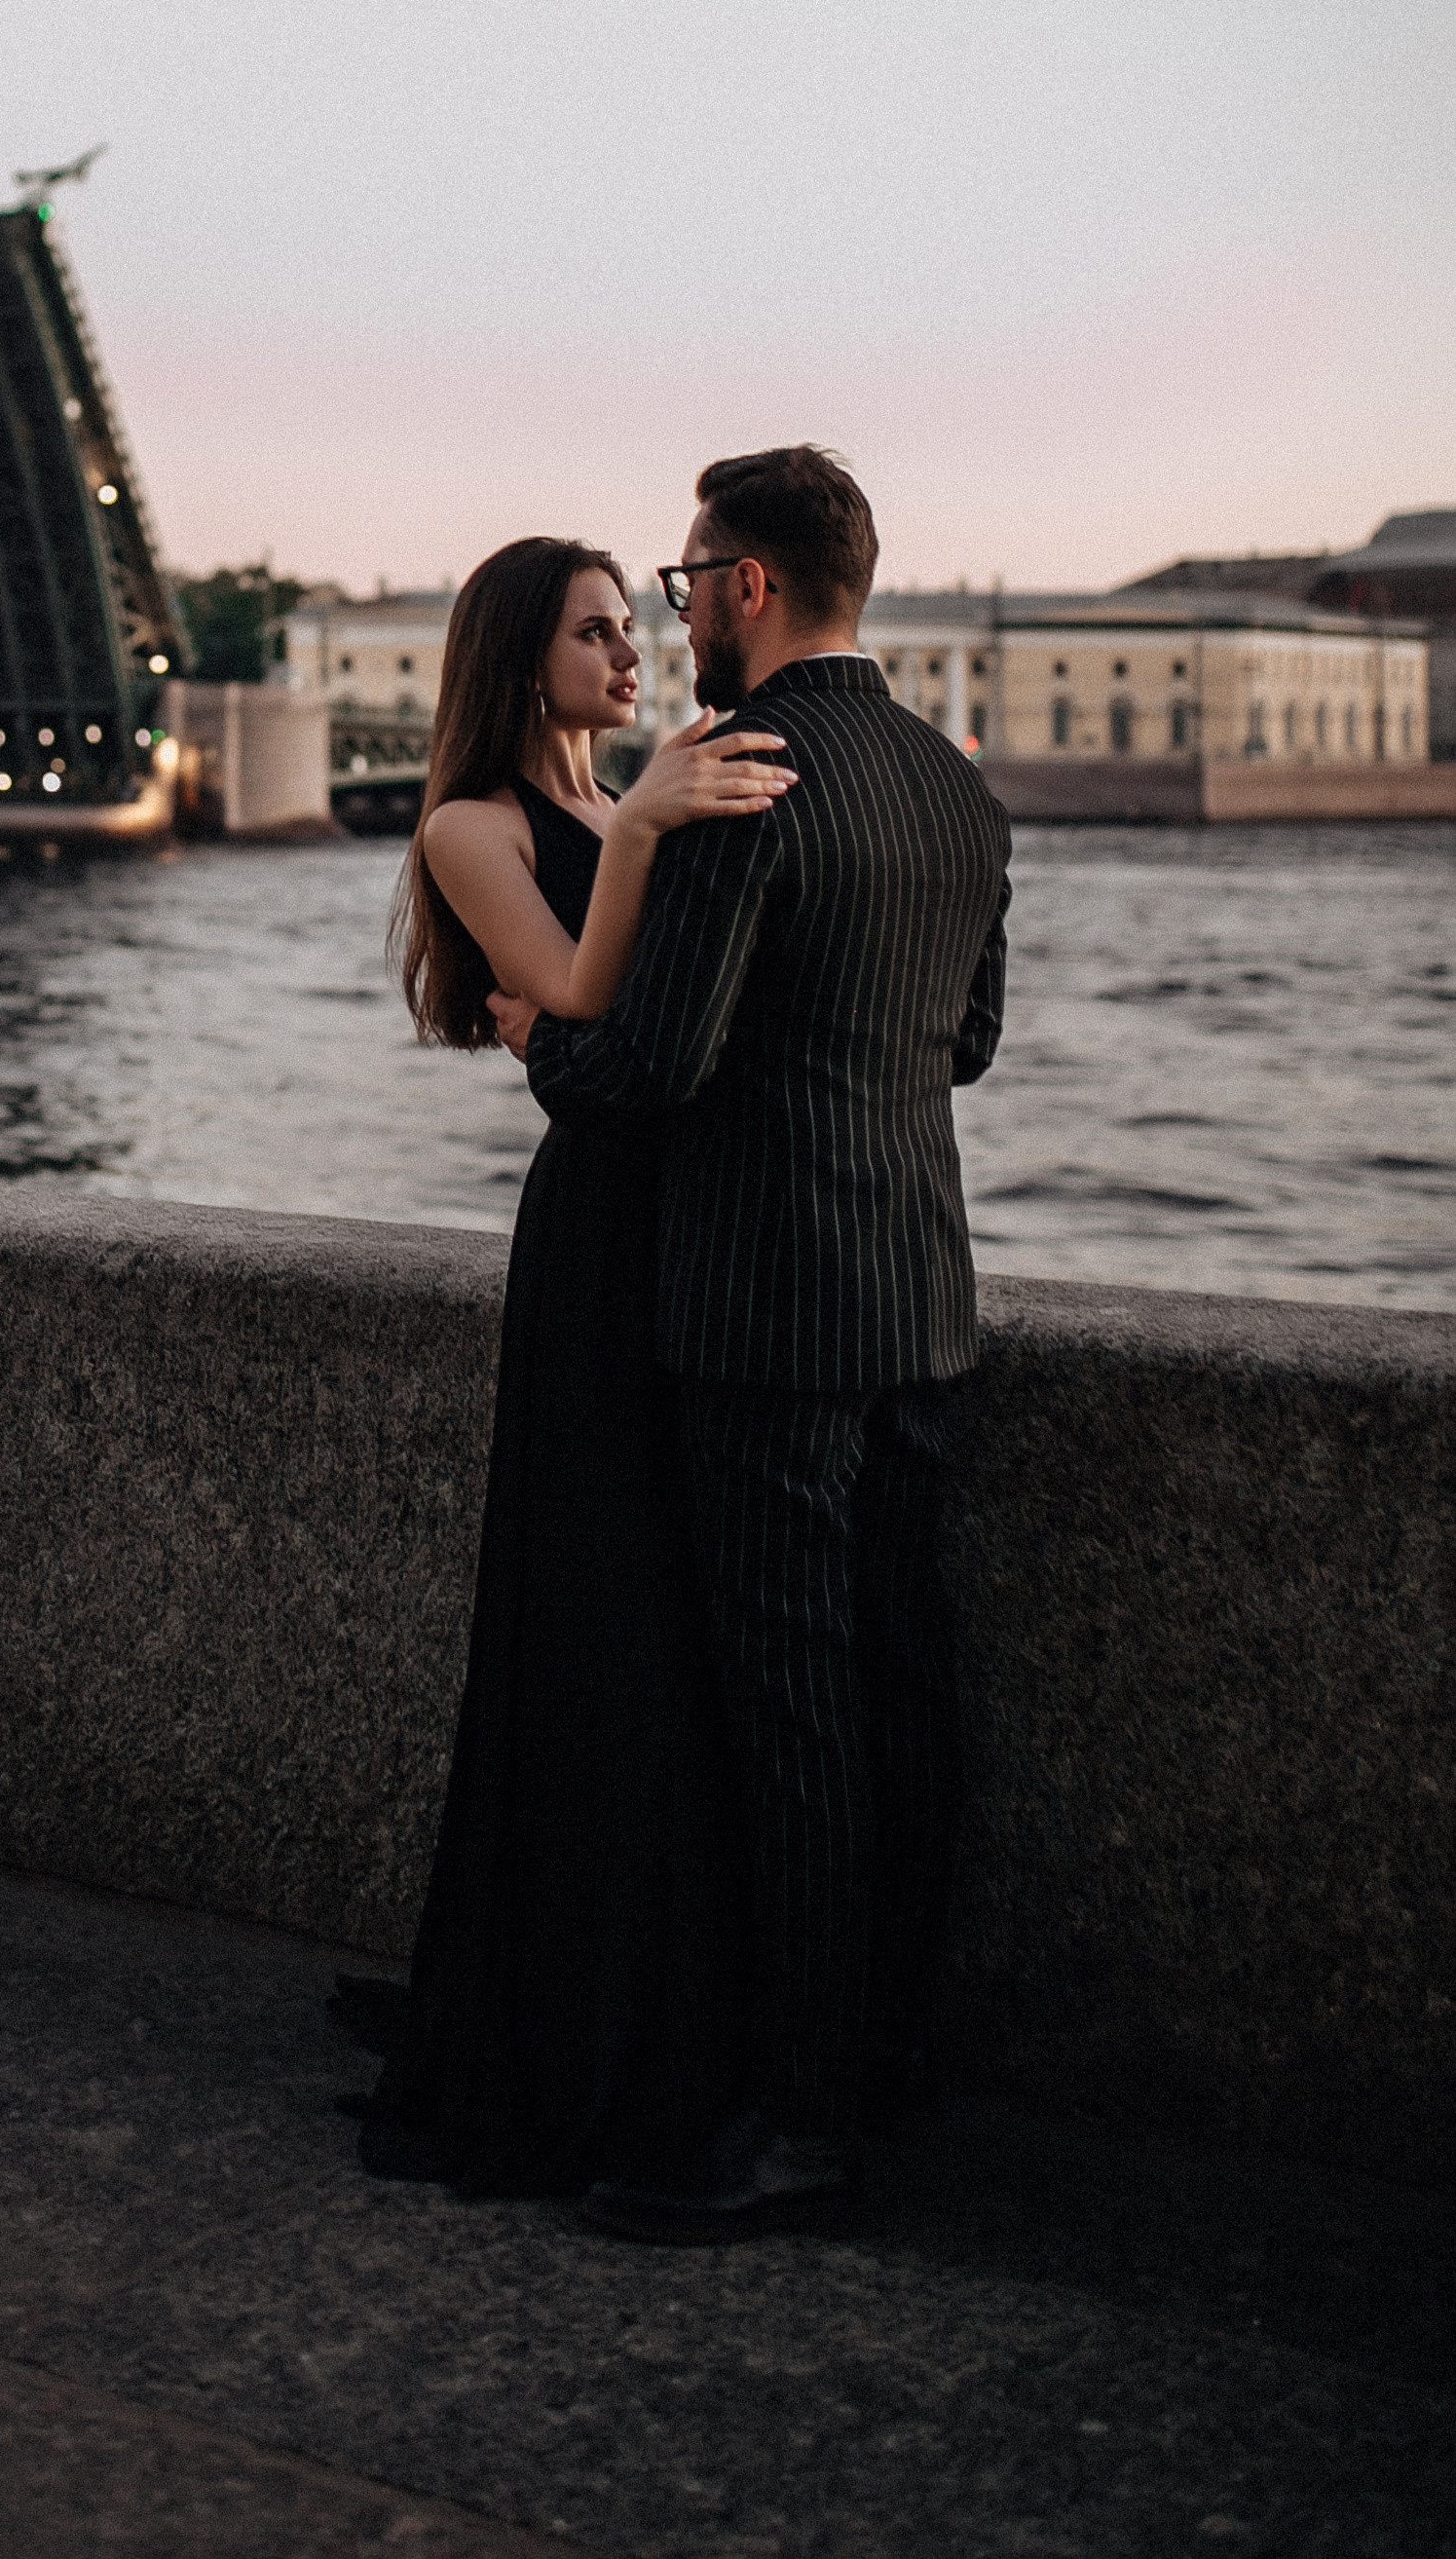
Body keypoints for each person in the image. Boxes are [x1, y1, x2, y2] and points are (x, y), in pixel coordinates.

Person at [493, 448, 1011, 2242]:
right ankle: (891, 2055)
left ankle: (794, 2120)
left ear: (755, 589)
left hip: (761, 1317)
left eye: (689, 572)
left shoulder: (744, 788)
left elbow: (650, 1064)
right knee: (903, 1692)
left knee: (788, 1709)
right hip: (917, 1302)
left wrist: (530, 1036)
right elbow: (970, 1044)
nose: (679, 603)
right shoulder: (958, 790)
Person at [335, 535, 796, 2195]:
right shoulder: (475, 826)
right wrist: (657, 825)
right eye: (596, 631)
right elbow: (583, 991)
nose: (630, 651)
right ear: (521, 659)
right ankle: (553, 2018)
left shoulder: (618, 808)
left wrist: (653, 821)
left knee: (675, 1623)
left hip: (692, 1234)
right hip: (597, 1250)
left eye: (631, 624)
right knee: (594, 1618)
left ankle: (647, 1997)